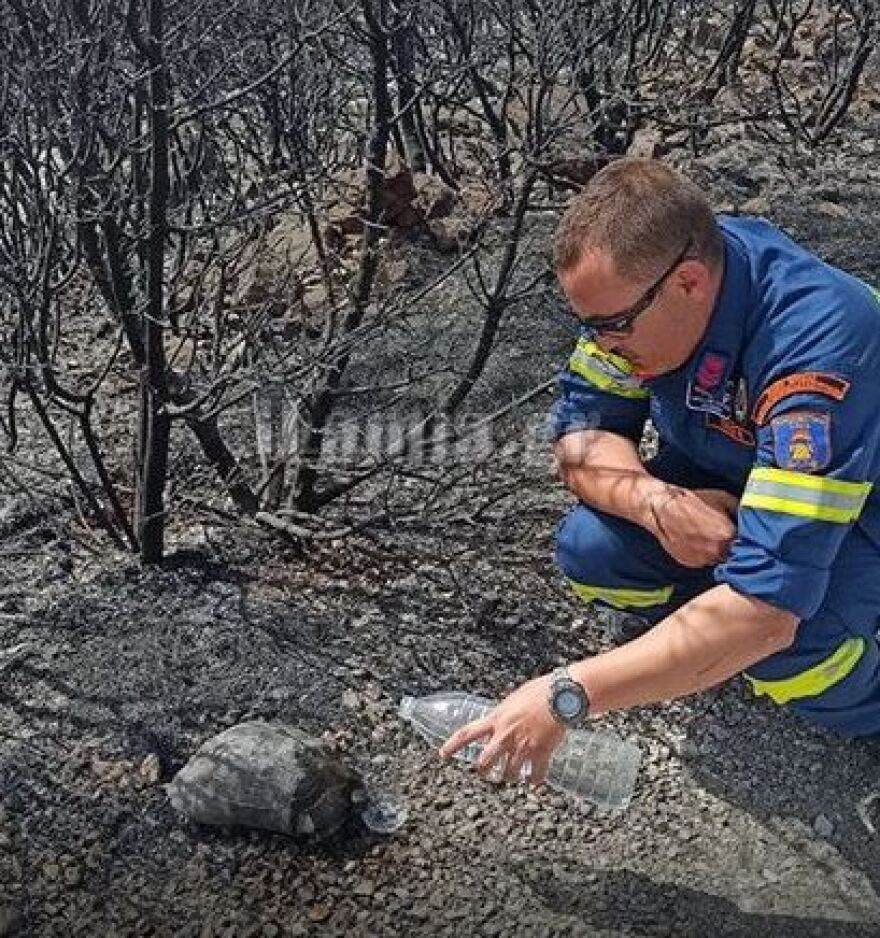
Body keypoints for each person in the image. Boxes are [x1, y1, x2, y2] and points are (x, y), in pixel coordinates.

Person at [440, 158, 880, 786]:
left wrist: (570, 693)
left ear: (690, 284)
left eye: (613, 326)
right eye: (588, 327)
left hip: (859, 511)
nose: (601, 344)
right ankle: (696, 648)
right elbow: (582, 440)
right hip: (736, 484)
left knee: (794, 644)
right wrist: (654, 502)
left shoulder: (819, 348)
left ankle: (865, 707)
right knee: (591, 549)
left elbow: (768, 609)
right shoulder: (639, 298)